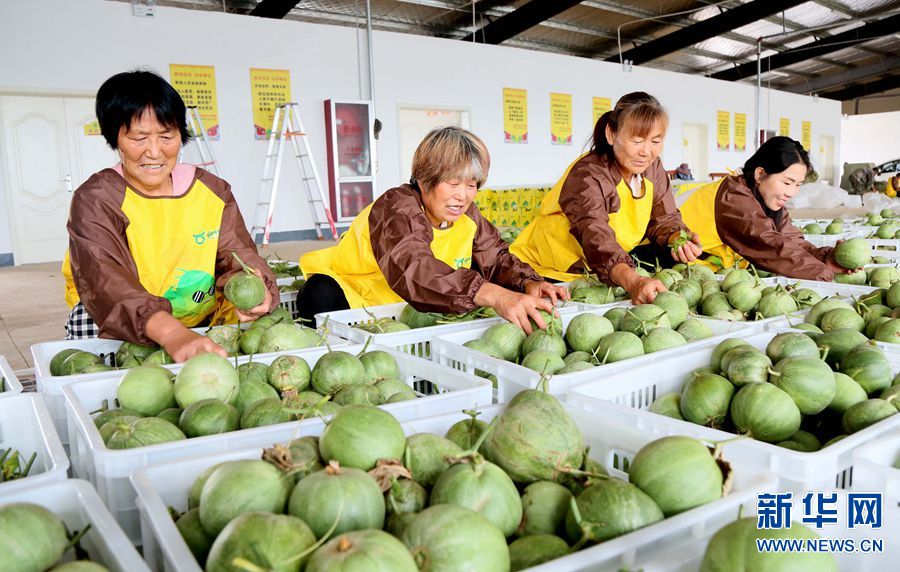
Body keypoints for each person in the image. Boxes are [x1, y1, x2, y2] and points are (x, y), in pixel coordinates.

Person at [62, 70, 278, 361]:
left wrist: (255, 286)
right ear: (115, 138)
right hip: (122, 322)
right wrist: (172, 333)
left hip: (200, 321)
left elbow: (236, 252)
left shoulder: (212, 190)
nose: (154, 152)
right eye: (138, 138)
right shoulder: (97, 198)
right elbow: (106, 281)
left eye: (166, 136)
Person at [299, 126, 568, 333]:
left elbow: (496, 259)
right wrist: (494, 294)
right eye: (453, 183)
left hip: (418, 308)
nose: (463, 196)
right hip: (360, 297)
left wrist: (528, 282)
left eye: (472, 185)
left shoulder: (467, 215)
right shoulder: (396, 207)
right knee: (318, 294)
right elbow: (414, 268)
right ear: (425, 179)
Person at [510, 92, 701, 304]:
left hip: (600, 266)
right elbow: (595, 235)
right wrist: (632, 281)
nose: (647, 151)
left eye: (656, 141)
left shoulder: (652, 168)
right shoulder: (588, 174)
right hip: (551, 267)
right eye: (637, 140)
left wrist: (677, 239)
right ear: (611, 134)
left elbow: (665, 218)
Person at [676, 136, 848, 280]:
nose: (791, 192)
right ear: (760, 174)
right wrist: (825, 275)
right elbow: (771, 246)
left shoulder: (766, 199)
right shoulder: (733, 198)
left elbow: (790, 240)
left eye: (798, 185)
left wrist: (825, 257)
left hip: (704, 273)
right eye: (787, 182)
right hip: (667, 267)